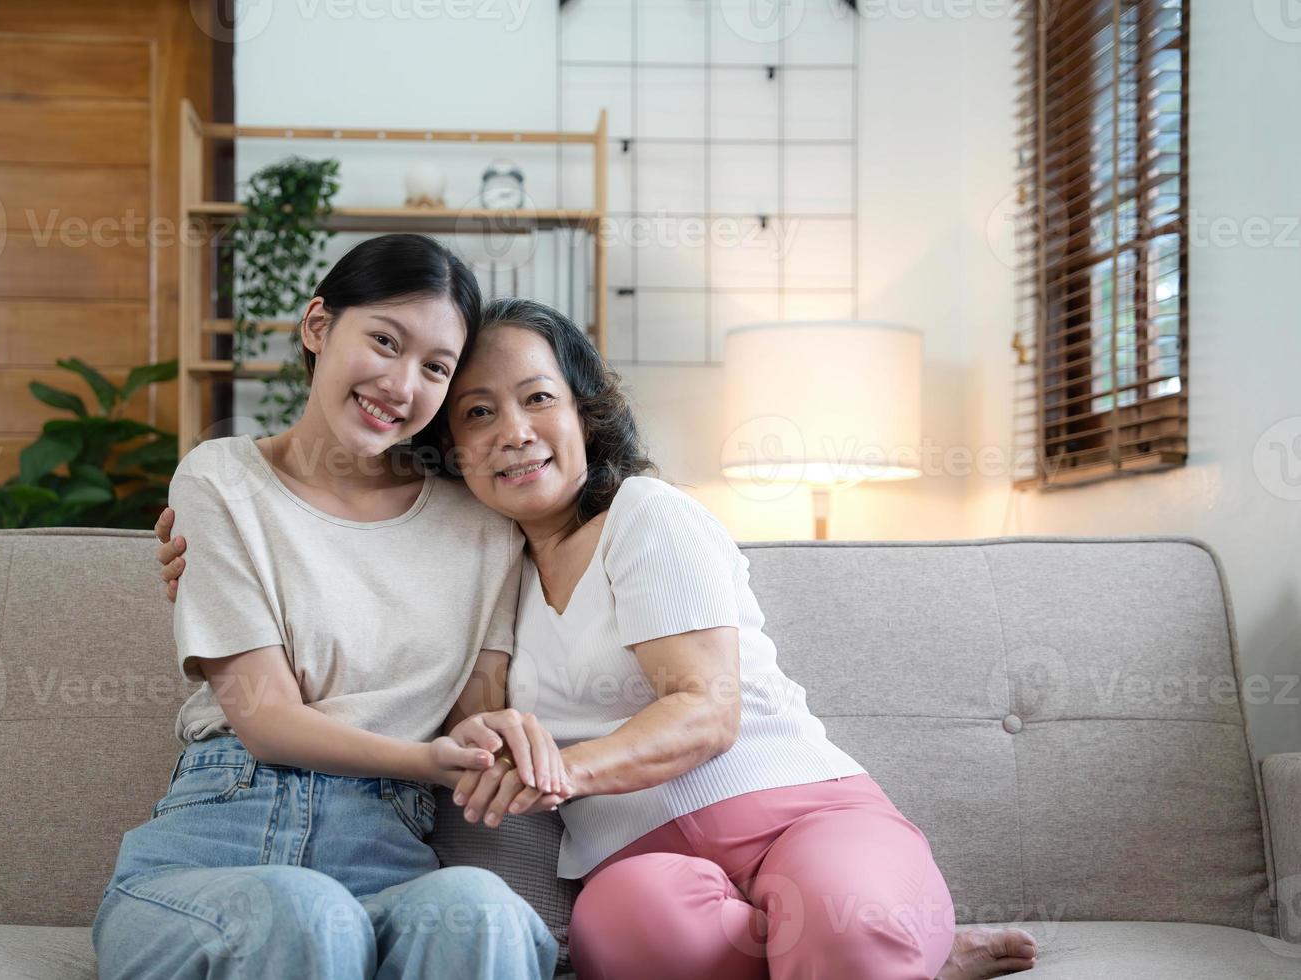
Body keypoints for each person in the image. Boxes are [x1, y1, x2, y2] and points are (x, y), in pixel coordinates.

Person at [158, 295, 1040, 979]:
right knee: (620, 940)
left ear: (584, 412)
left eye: (538, 398)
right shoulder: (486, 557)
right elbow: (463, 701)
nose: (514, 433)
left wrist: (560, 772)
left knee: (848, 919)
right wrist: (214, 550)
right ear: (449, 452)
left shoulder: (646, 517)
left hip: (791, 809)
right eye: (474, 414)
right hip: (637, 857)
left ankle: (882, 941)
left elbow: (705, 710)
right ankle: (903, 956)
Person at [93, 235, 562, 980]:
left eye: (436, 368)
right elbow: (268, 721)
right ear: (318, 326)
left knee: (484, 909)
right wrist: (427, 761)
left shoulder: (483, 527)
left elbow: (470, 716)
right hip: (217, 856)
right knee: (308, 913)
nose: (403, 385)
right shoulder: (220, 481)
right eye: (384, 340)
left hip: (389, 860)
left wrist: (488, 741)